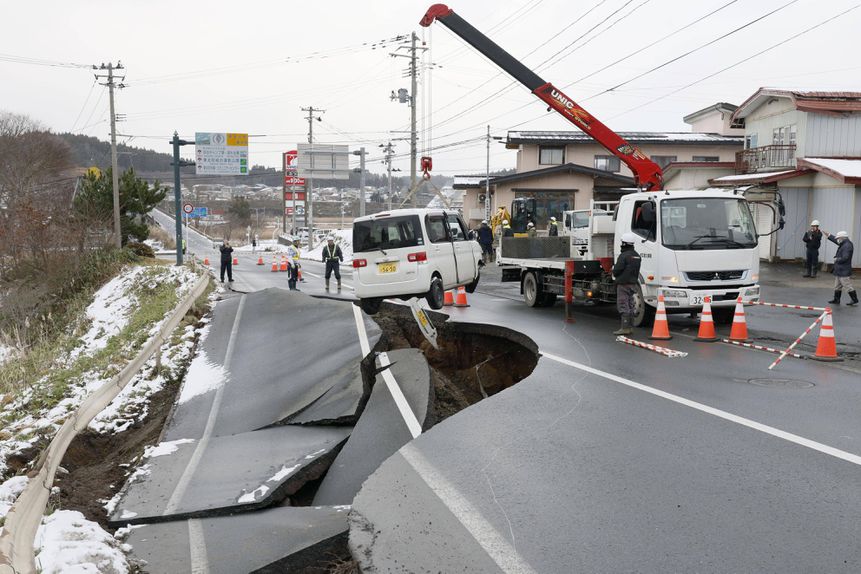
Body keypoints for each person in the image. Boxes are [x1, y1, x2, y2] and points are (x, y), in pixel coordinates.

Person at [612, 232, 642, 335]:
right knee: (630, 304)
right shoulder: (637, 256)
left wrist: (614, 271)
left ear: (624, 243)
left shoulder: (624, 256)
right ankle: (630, 327)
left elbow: (617, 270)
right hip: (633, 284)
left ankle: (625, 328)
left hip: (623, 284)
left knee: (623, 305)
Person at [822, 229, 857, 306]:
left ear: (842, 238)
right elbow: (836, 241)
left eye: (838, 238)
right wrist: (829, 235)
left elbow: (846, 257)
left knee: (847, 285)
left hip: (844, 270)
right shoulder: (844, 242)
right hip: (840, 269)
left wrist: (837, 259)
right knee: (837, 286)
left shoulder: (847, 246)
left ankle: (854, 299)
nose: (837, 239)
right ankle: (836, 299)